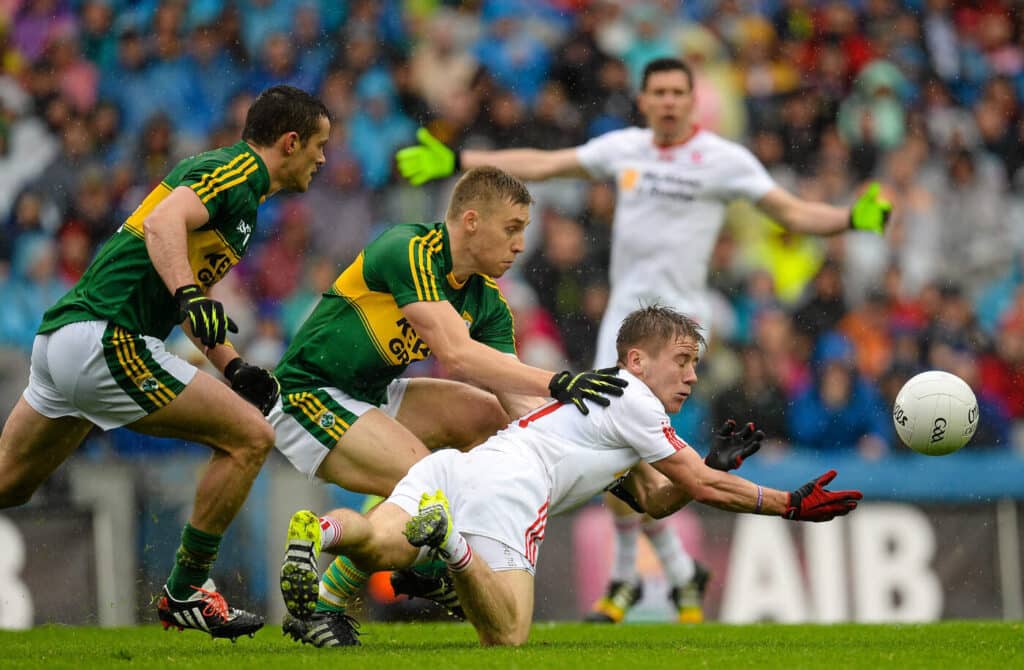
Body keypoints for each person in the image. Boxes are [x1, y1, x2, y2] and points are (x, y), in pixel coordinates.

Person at [395, 56, 890, 624]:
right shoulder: (626, 147)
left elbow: (790, 210)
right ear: (644, 98)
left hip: (679, 333)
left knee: (646, 454)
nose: (669, 101)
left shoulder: (722, 160)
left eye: (679, 91)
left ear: (692, 99)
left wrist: (851, 218)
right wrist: (462, 159)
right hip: (625, 327)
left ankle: (637, 573)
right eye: (659, 92)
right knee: (614, 448)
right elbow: (547, 163)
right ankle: (664, 572)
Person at [278, 305, 862, 647]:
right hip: (511, 489)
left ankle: (318, 532)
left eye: (695, 364)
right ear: (636, 360)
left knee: (379, 541)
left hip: (457, 468)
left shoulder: (612, 410)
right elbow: (703, 489)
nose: (690, 376)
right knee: (506, 634)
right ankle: (450, 543)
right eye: (681, 360)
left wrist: (707, 467)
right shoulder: (636, 399)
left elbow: (657, 500)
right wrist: (787, 503)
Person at [0, 85, 331, 640]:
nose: (323, 159)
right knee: (250, 438)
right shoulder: (236, 171)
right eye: (319, 145)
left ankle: (187, 593)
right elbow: (162, 226)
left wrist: (232, 366)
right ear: (291, 142)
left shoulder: (245, 200)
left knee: (9, 486)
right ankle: (187, 592)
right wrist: (188, 296)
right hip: (106, 339)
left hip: (65, 340)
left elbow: (184, 290)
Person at [271, 166, 627, 641]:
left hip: (372, 394)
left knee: (489, 417)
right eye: (512, 228)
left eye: (524, 230)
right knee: (431, 481)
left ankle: (417, 569)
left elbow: (521, 408)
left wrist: (606, 454)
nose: (521, 244)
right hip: (307, 392)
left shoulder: (488, 303)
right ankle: (327, 602)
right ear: (472, 221)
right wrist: (558, 380)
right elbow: (456, 353)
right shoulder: (409, 248)